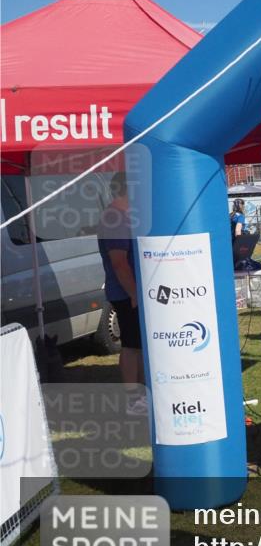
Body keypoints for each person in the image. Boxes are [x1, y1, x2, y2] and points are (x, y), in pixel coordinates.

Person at [97, 173, 147, 416]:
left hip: (131, 292)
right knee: (131, 345)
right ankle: (134, 400)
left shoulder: (123, 216)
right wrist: (134, 293)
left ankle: (141, 396)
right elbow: (119, 263)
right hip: (126, 292)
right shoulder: (115, 218)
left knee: (136, 344)